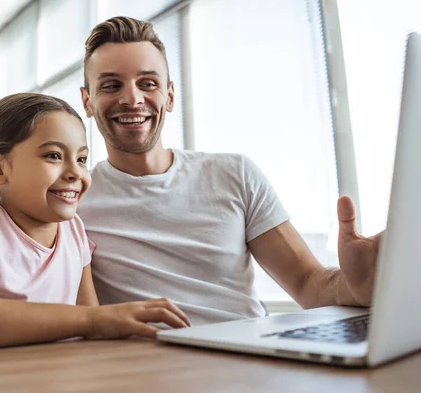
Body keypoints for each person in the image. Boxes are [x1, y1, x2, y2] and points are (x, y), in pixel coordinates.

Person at [77, 17, 381, 325]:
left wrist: (354, 285)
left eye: (148, 83)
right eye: (111, 85)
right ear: (87, 101)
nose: (132, 99)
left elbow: (306, 283)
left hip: (251, 359)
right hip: (150, 367)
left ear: (169, 96)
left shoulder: (234, 174)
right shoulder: (72, 203)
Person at [0, 93, 190, 353]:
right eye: (54, 155)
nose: (75, 173)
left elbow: (90, 327)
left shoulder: (74, 232)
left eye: (82, 159)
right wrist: (94, 320)